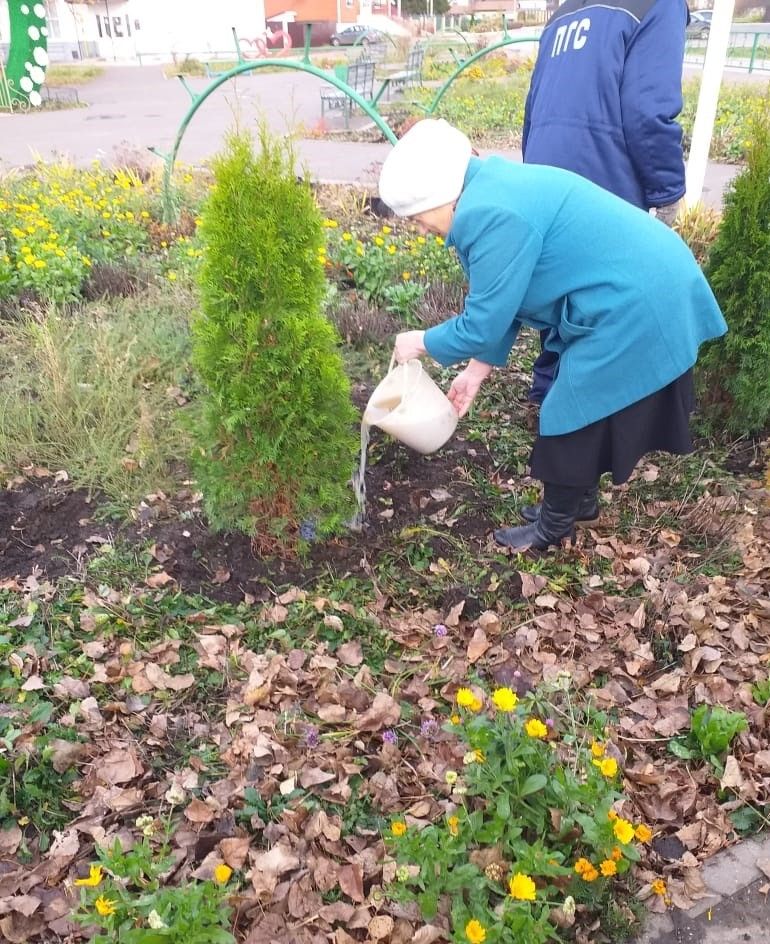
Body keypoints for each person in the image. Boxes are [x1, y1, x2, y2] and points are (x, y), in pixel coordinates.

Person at [379, 119, 726, 553]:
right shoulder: (489, 190)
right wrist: (475, 372)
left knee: (569, 410)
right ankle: (577, 502)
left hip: (640, 299)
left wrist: (421, 341)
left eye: (416, 218)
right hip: (638, 286)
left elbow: (482, 322)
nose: (419, 229)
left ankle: (554, 526)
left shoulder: (489, 214)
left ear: (437, 197)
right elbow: (506, 298)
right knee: (582, 405)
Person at [522, 0, 690, 405]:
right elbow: (648, 109)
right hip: (604, 168)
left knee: (561, 287)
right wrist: (667, 190)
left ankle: (550, 392)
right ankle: (587, 412)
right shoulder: (659, 4)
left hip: (547, 164)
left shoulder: (563, 11)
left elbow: (532, 107)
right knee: (608, 296)